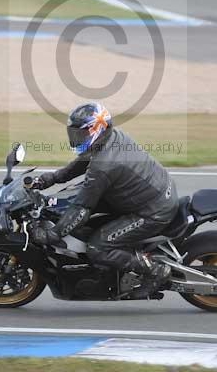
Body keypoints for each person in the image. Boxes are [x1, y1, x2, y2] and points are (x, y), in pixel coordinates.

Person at [32, 102, 179, 298]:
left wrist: (53, 234)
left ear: (97, 129)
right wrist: (54, 178)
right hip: (150, 194)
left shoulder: (104, 165)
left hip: (152, 211)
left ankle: (155, 271)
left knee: (97, 247)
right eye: (74, 133)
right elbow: (85, 161)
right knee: (71, 200)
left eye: (81, 133)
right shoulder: (110, 139)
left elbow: (81, 209)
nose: (76, 138)